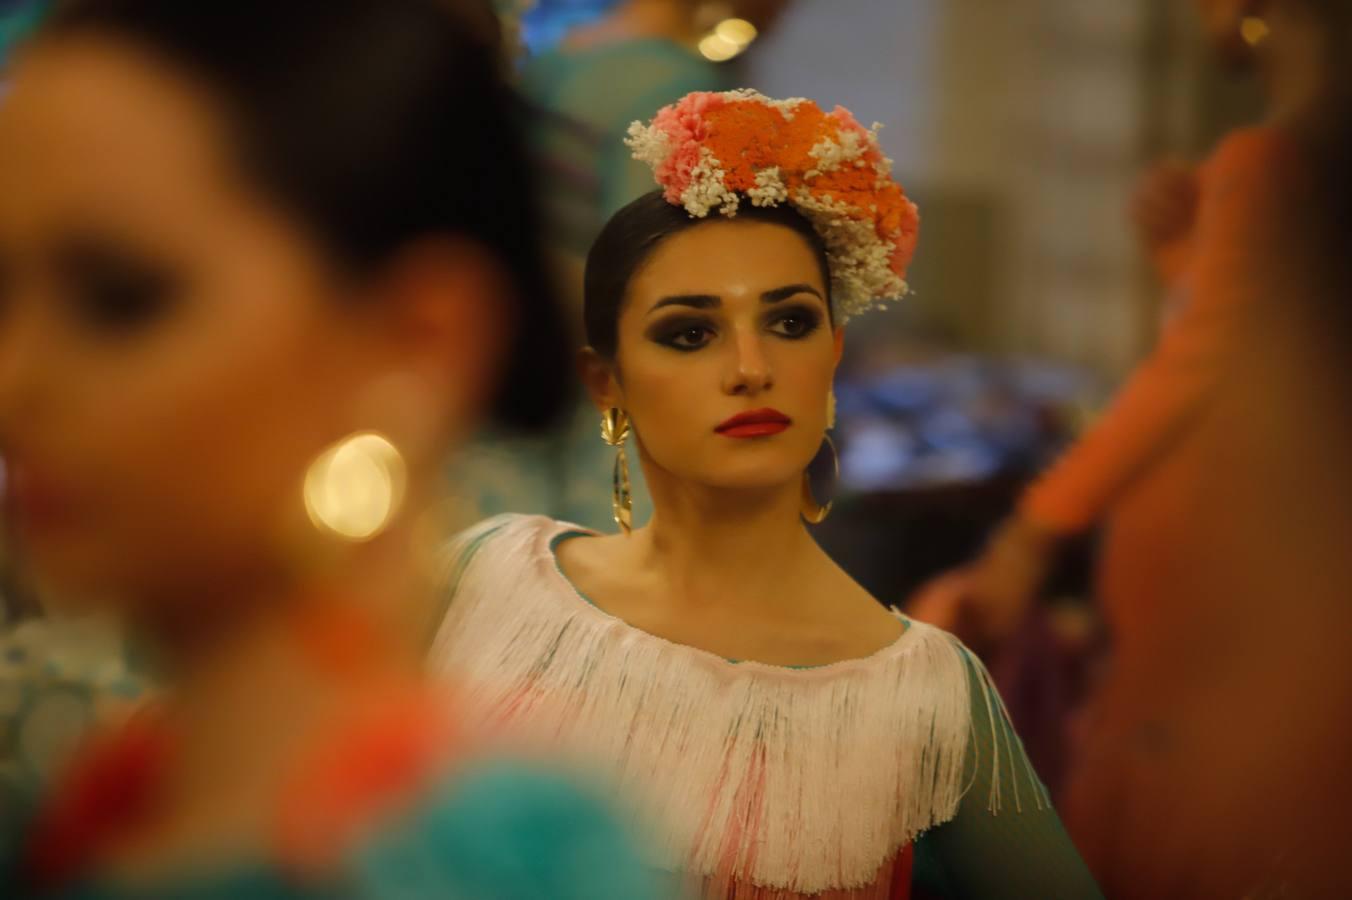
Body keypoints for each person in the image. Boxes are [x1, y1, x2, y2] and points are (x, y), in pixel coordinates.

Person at [0, 1, 659, 896]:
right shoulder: (98, 791)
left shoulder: (481, 865)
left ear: (412, 343)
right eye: (2, 294)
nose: (15, 384)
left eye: (122, 299)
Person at [431, 89, 1102, 899]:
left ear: (834, 354)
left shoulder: (921, 696)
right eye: (691, 333)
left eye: (789, 322)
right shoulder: (487, 584)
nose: (751, 367)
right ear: (605, 383)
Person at [449, 0, 793, 534]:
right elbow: (654, 281)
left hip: (526, 368)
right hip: (603, 389)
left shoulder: (559, 57)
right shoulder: (674, 88)